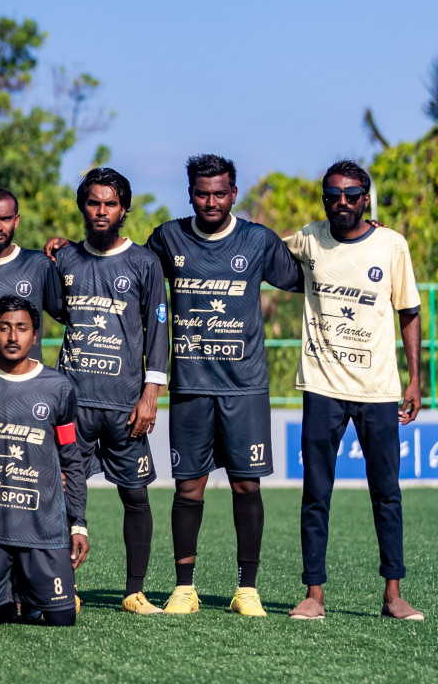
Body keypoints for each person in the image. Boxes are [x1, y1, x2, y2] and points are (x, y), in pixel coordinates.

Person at [143, 154, 302, 617]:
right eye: (201, 193)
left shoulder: (256, 240)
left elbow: (302, 274)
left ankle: (246, 589)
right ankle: (183, 588)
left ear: (234, 194)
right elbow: (128, 269)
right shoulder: (169, 237)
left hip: (245, 386)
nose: (210, 201)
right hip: (190, 387)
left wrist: (347, 237)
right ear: (190, 193)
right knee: (188, 490)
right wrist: (69, 248)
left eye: (219, 193)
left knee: (246, 488)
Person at [285, 160, 424, 621]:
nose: (340, 202)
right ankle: (314, 595)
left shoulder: (391, 245)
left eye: (350, 194)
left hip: (379, 390)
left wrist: (415, 378)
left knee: (386, 492)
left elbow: (408, 311)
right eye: (331, 194)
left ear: (366, 197)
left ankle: (393, 594)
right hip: (322, 387)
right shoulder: (309, 238)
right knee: (315, 493)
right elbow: (256, 248)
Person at [48, 167, 169, 614]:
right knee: (63, 491)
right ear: (83, 207)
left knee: (134, 494)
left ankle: (135, 591)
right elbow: (54, 309)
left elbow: (159, 330)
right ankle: (63, 586)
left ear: (124, 210)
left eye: (110, 204)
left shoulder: (143, 263)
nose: (102, 211)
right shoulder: (64, 261)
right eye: (94, 203)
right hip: (72, 404)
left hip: (124, 404)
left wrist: (150, 393)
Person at [0, 295, 88, 626]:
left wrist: (78, 522)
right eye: (4, 328)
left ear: (35, 335)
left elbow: (71, 459)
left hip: (43, 528)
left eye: (21, 328)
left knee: (62, 620)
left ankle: (30, 595)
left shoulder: (58, 387)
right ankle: (11, 595)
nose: (12, 337)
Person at [0, 187, 62, 366]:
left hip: (26, 388)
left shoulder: (37, 265)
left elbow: (72, 314)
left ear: (16, 220)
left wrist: (75, 249)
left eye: (5, 219)